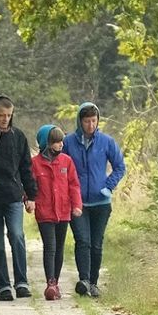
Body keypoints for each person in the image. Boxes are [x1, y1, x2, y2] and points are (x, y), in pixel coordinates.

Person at [0, 93, 38, 301]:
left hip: (13, 197)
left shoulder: (18, 136)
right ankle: (3, 286)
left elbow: (26, 168)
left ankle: (22, 282)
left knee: (17, 236)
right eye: (1, 115)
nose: (5, 119)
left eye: (9, 115)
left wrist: (31, 196)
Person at [63, 102, 125, 298]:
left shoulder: (107, 142)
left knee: (96, 244)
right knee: (83, 241)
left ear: (98, 121)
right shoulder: (68, 142)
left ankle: (94, 283)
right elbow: (61, 167)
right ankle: (84, 280)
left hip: (101, 203)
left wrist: (109, 185)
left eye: (93, 121)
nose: (90, 125)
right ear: (79, 122)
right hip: (78, 203)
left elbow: (120, 166)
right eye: (86, 121)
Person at [31, 125, 82, 301]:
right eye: (56, 141)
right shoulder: (35, 163)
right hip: (45, 212)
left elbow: (74, 185)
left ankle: (55, 284)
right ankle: (50, 282)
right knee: (50, 247)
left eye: (62, 141)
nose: (61, 145)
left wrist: (77, 205)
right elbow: (30, 186)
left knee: (59, 247)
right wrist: (29, 200)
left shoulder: (67, 161)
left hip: (63, 211)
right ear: (46, 143)